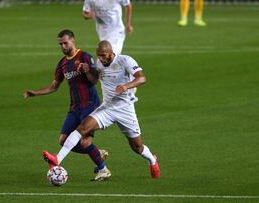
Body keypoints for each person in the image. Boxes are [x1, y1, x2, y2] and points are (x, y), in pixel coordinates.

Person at [43, 40, 160, 181]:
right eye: (99, 56)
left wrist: (126, 86)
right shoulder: (99, 63)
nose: (101, 59)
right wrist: (88, 70)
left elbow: (142, 78)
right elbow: (93, 78)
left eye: (104, 55)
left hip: (125, 110)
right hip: (107, 108)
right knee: (83, 128)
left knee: (137, 147)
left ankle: (152, 160)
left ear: (111, 52)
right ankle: (57, 159)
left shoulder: (125, 60)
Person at [24, 29, 109, 179]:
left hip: (89, 105)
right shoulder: (62, 64)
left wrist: (88, 71)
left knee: (84, 142)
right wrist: (35, 93)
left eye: (65, 43)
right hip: (74, 107)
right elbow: (54, 86)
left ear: (73, 41)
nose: (63, 46)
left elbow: (94, 80)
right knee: (63, 140)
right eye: (60, 44)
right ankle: (96, 153)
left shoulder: (85, 57)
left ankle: (103, 170)